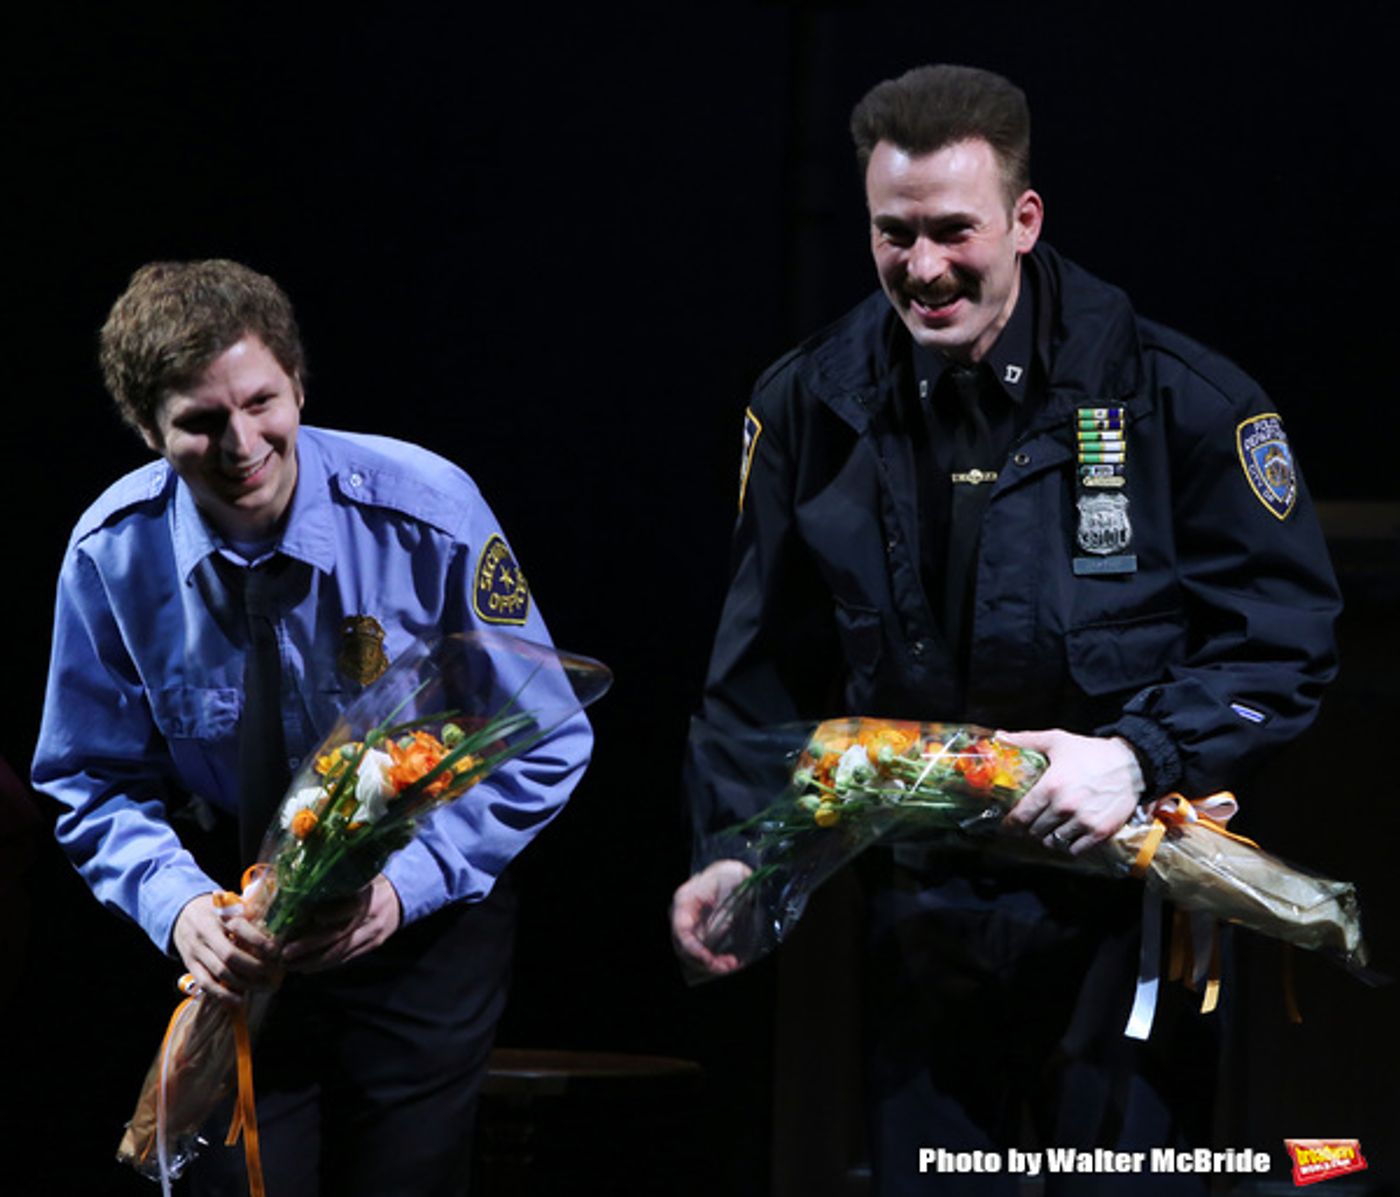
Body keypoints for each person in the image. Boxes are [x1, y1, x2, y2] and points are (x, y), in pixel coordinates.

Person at [671, 65, 1341, 1195]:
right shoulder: (810, 405)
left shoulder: (1174, 398)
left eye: (950, 232)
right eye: (893, 234)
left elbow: (1282, 642)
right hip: (920, 920)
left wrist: (1138, 755)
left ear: (1023, 221)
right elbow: (760, 664)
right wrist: (737, 844)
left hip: (1127, 911)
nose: (922, 268)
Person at [32, 259, 593, 1197]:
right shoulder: (111, 554)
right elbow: (87, 777)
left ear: (297, 383)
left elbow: (546, 735)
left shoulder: (430, 512)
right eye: (200, 421)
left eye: (260, 401)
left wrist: (404, 888)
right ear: (146, 429)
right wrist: (178, 907)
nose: (242, 443)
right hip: (232, 923)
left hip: (418, 922)